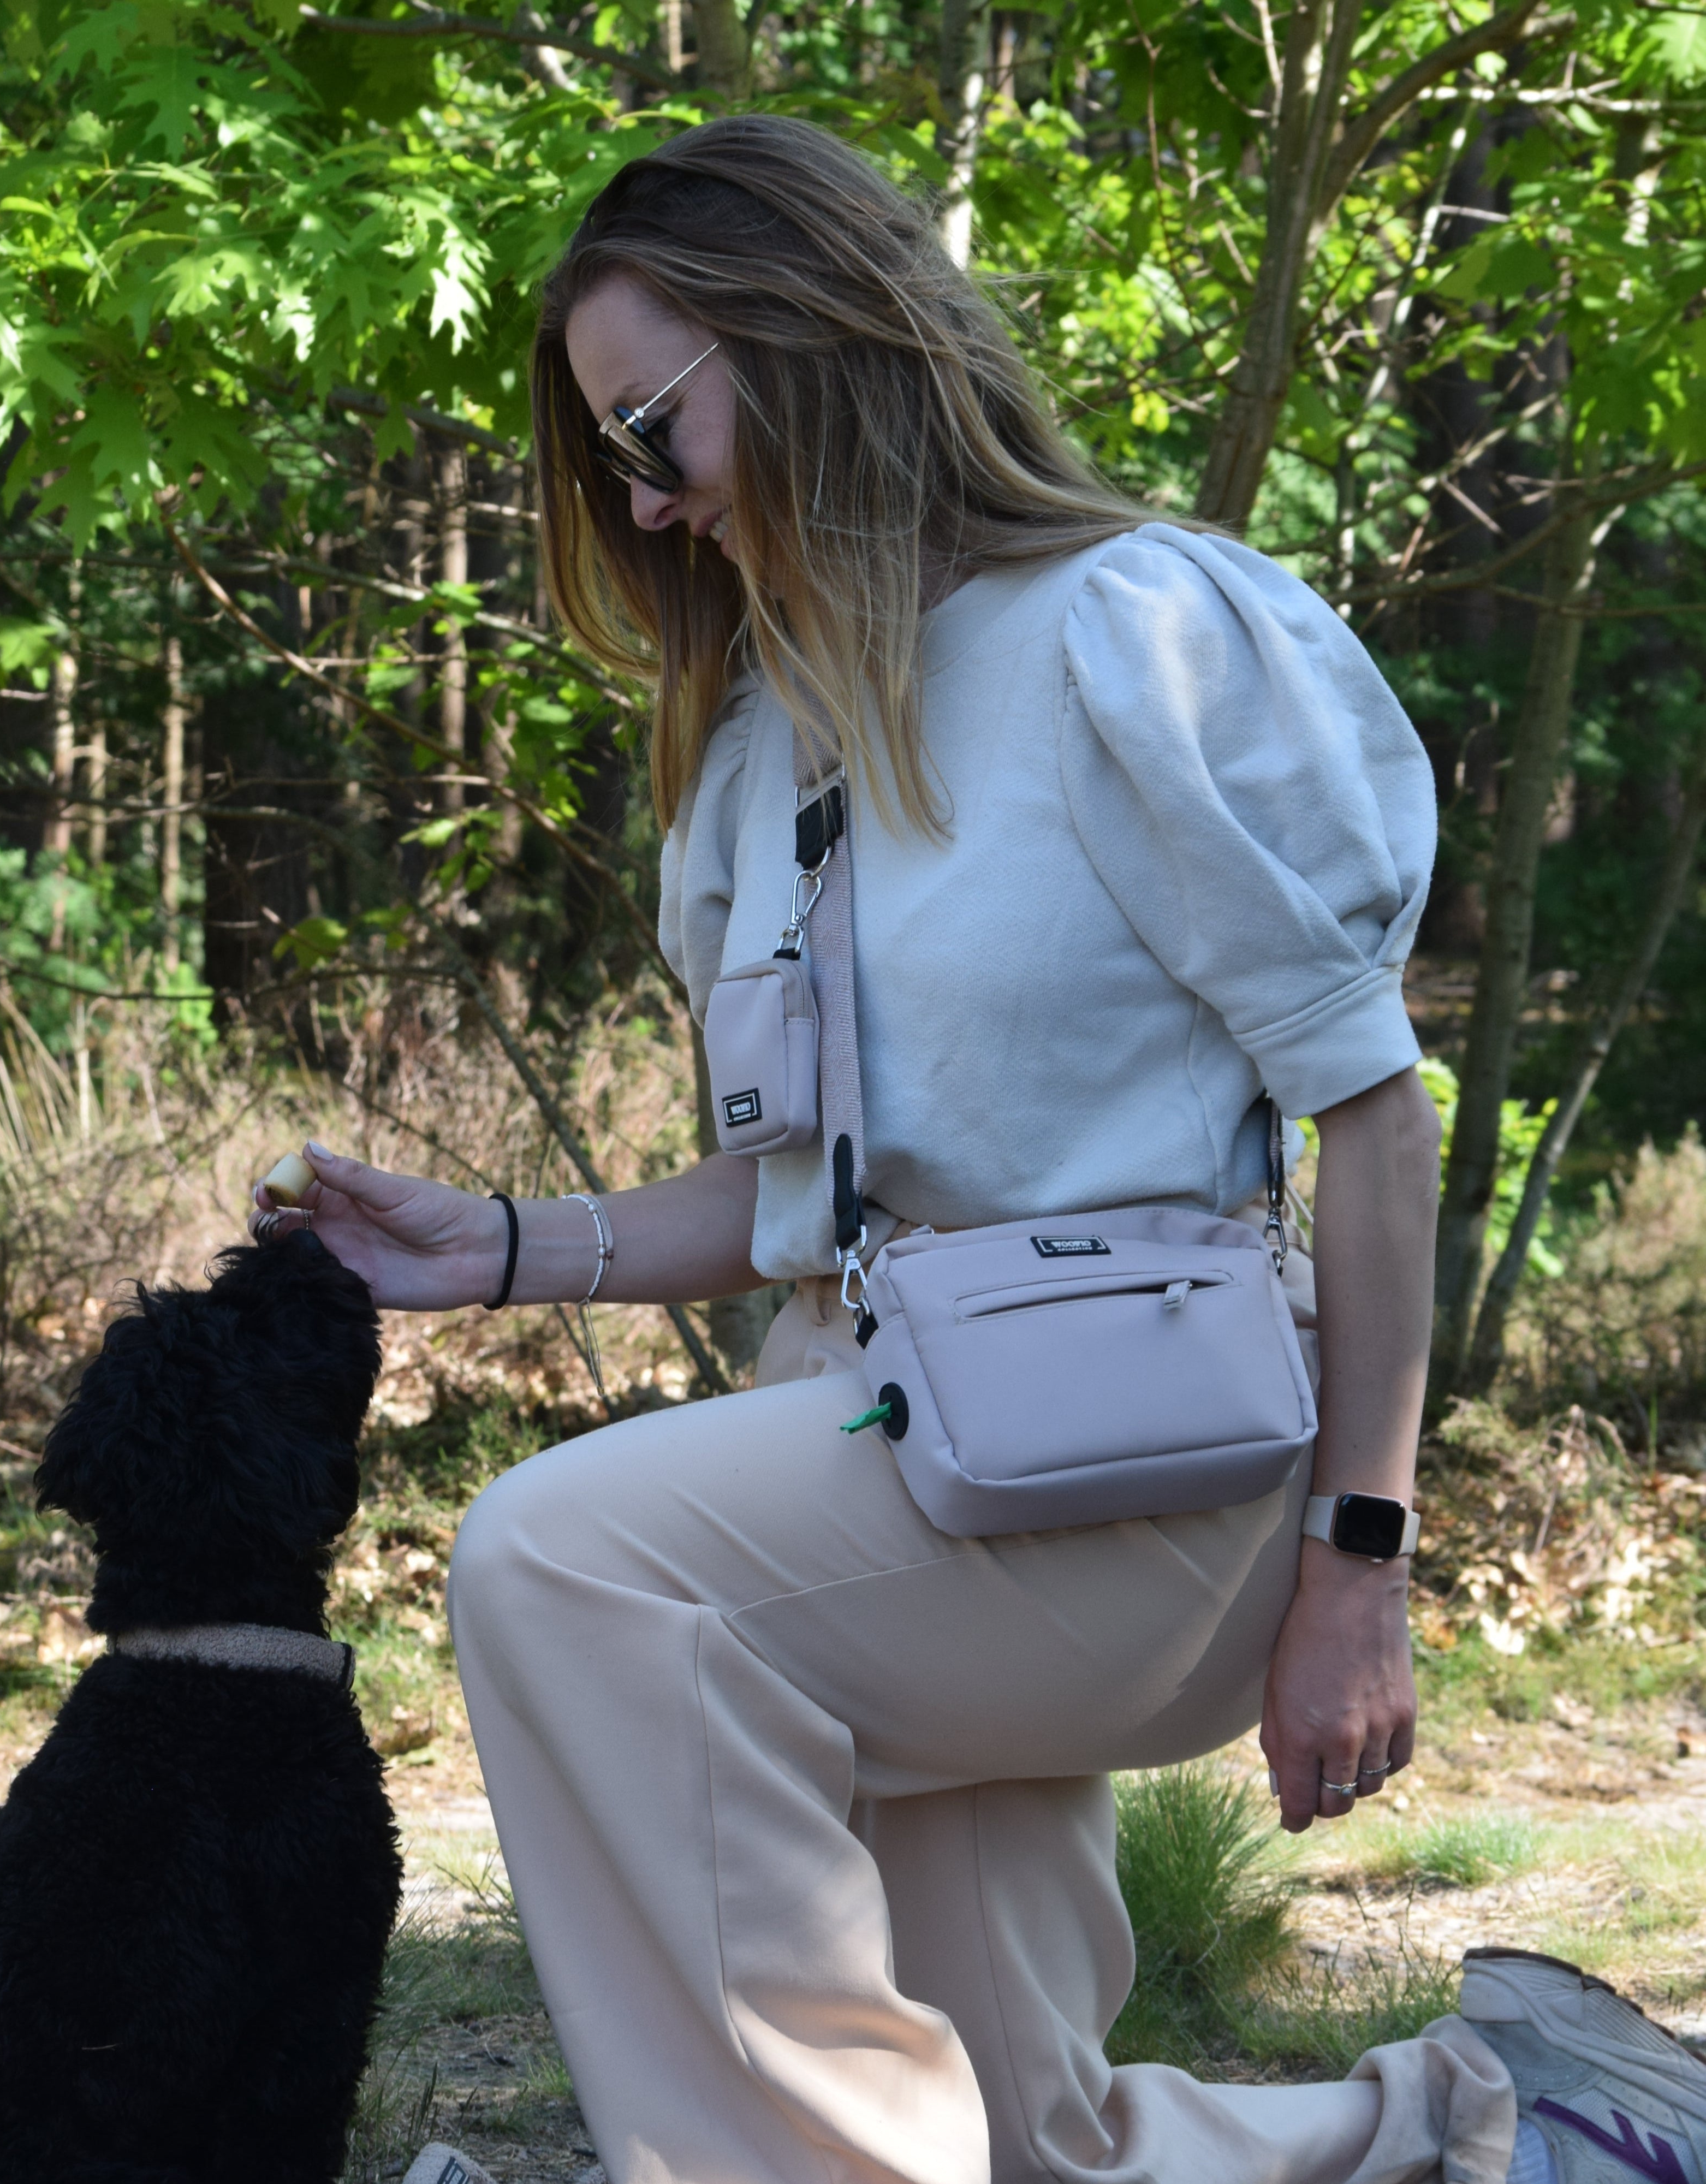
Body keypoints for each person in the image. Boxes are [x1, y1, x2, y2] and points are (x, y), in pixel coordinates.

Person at [256, 115, 1706, 2184]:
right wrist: (488, 1244)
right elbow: (792, 1210)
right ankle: (1515, 2135)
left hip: (1159, 1483)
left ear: (820, 336)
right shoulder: (765, 751)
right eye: (614, 460)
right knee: (1026, 2143)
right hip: (892, 1458)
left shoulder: (1142, 634)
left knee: (564, 1561)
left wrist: (1360, 1566)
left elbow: (1371, 1115)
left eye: (657, 428)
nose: (650, 507)